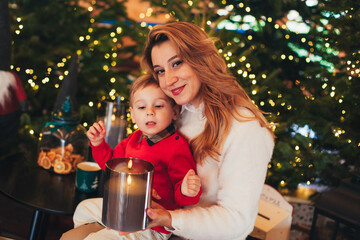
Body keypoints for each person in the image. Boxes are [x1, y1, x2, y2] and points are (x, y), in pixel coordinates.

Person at [140, 22, 275, 240]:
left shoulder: (246, 128)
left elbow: (238, 221)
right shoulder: (176, 111)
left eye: (177, 63)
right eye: (160, 71)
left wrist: (171, 218)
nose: (168, 80)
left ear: (201, 59)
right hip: (158, 224)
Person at [61, 74, 201, 240]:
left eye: (158, 106)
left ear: (175, 112)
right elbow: (110, 163)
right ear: (133, 115)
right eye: (142, 108)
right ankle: (108, 230)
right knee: (83, 208)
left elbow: (182, 194)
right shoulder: (134, 139)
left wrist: (187, 190)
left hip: (150, 223)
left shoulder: (176, 147)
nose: (150, 112)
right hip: (122, 208)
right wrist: (98, 143)